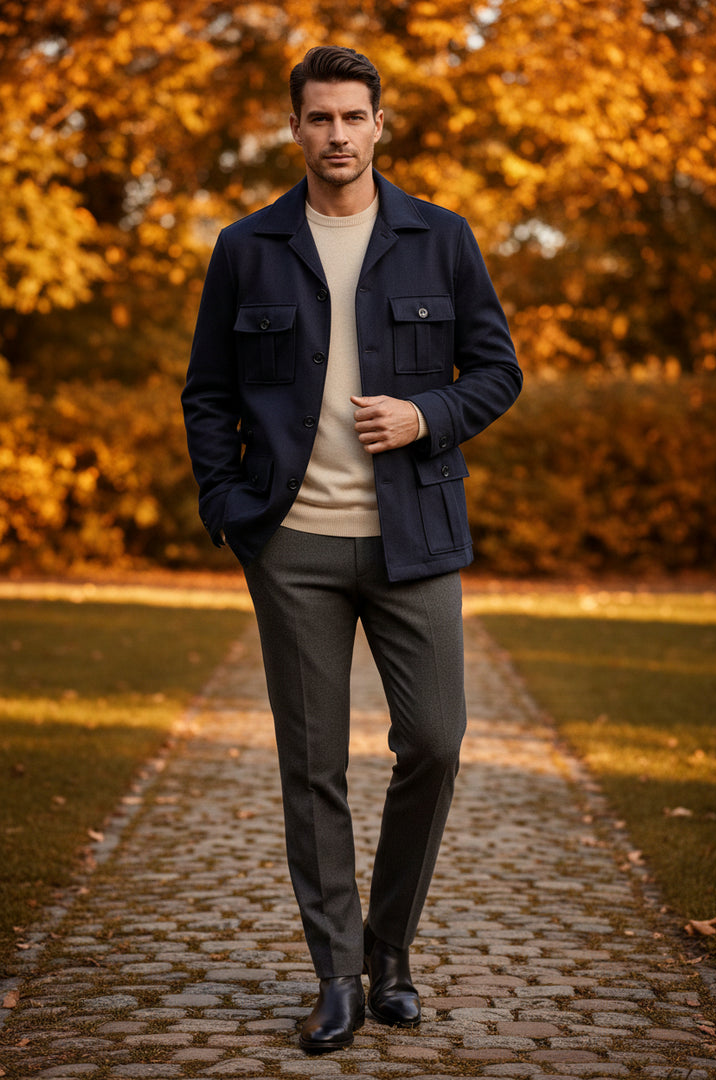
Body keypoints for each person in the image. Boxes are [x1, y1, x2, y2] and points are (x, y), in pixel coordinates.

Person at [182, 44, 522, 1053]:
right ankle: (336, 975)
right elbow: (206, 393)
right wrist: (228, 507)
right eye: (319, 118)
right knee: (312, 763)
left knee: (434, 743)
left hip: (415, 539)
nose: (337, 135)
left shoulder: (439, 238)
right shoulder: (248, 248)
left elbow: (497, 371)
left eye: (353, 117)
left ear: (382, 124)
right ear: (295, 128)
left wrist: (427, 415)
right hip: (293, 548)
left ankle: (390, 951)